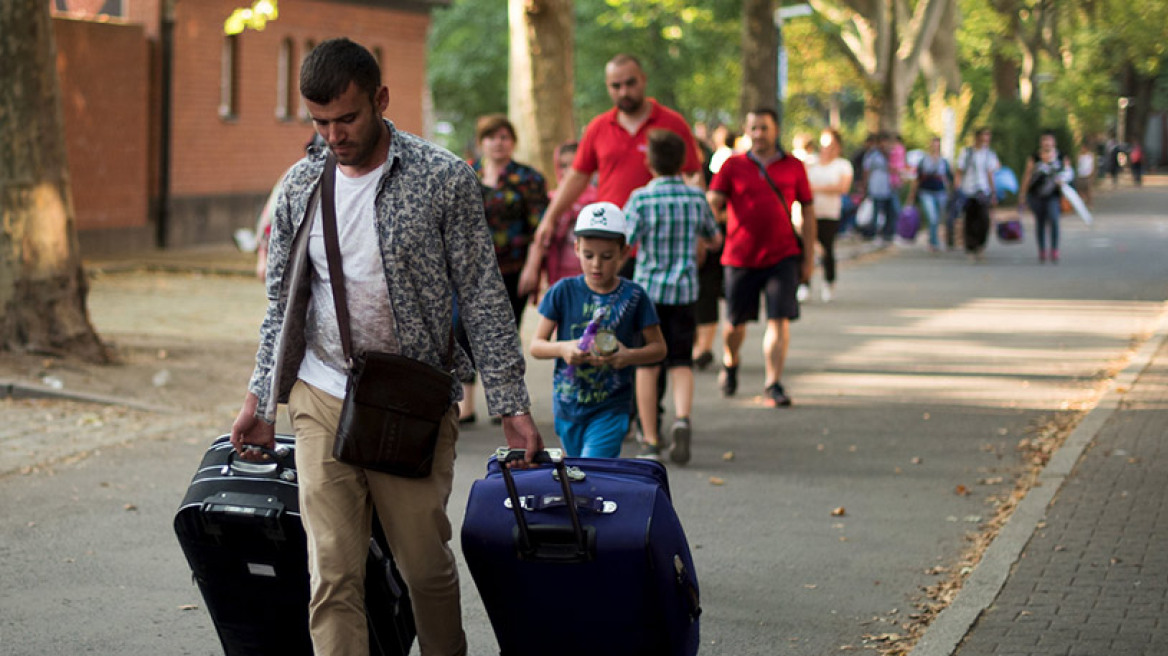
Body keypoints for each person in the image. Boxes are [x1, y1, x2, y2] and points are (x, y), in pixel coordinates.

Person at [229, 38, 542, 656]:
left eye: (347, 118)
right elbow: (283, 308)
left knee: (423, 567)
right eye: (320, 123)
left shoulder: (442, 179)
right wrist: (261, 397)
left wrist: (511, 404)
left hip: (411, 401)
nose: (334, 135)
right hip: (321, 394)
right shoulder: (299, 187)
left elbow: (483, 295)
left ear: (381, 100)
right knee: (333, 574)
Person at [519, 53, 703, 294]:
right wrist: (550, 218)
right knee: (613, 321)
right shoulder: (599, 127)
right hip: (612, 245)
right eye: (616, 86)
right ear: (608, 86)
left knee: (658, 323)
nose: (624, 91)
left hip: (659, 247)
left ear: (643, 80)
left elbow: (693, 176)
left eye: (630, 83)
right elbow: (577, 176)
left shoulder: (672, 123)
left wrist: (697, 232)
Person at [530, 202, 666, 459]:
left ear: (624, 253)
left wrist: (628, 356)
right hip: (567, 405)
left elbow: (658, 348)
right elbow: (536, 345)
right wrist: (563, 348)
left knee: (592, 467)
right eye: (588, 255)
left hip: (611, 406)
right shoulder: (563, 291)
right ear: (576, 249)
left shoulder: (635, 296)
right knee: (575, 473)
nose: (596, 265)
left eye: (607, 257)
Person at [707, 108, 815, 407]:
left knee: (779, 320)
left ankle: (773, 382)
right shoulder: (732, 165)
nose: (759, 134)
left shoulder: (793, 166)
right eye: (753, 128)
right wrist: (713, 227)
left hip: (783, 255)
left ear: (776, 130)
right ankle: (731, 361)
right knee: (734, 325)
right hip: (740, 256)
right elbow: (712, 202)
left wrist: (809, 256)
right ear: (746, 131)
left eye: (764, 128)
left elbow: (807, 210)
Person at [623, 130, 720, 463]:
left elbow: (625, 241)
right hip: (684, 292)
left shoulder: (640, 199)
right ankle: (682, 419)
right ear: (683, 162)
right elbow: (713, 237)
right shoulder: (696, 198)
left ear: (649, 162)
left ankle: (650, 439)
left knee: (647, 365)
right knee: (680, 361)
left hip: (647, 294)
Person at [455, 114, 548, 424]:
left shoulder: (528, 179)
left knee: (504, 334)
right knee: (462, 330)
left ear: (513, 142)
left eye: (504, 137)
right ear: (481, 142)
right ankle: (465, 406)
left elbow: (540, 228)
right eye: (492, 137)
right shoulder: (465, 174)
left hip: (513, 268)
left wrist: (534, 268)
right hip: (469, 272)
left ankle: (507, 404)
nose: (498, 143)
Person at [806, 129, 853, 302]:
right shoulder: (811, 162)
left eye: (831, 145)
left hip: (830, 213)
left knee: (827, 249)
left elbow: (842, 188)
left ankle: (828, 282)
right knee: (807, 249)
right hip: (810, 213)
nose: (827, 149)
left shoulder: (843, 165)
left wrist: (815, 188)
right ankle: (804, 284)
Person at [1018, 130, 1074, 264]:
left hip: (1053, 195)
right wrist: (1022, 194)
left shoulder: (1061, 156)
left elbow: (1069, 172)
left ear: (1053, 142)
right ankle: (1042, 250)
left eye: (1049, 140)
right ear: (1041, 142)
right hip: (1035, 195)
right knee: (1040, 222)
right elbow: (1027, 175)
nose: (1046, 143)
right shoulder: (1034, 157)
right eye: (1044, 140)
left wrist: (1063, 179)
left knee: (1054, 219)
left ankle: (1054, 249)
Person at [954, 127, 1000, 261]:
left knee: (984, 220)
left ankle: (980, 245)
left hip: (983, 191)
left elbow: (990, 174)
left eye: (988, 136)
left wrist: (993, 192)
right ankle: (970, 247)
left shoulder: (989, 154)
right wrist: (957, 189)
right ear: (977, 137)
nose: (986, 139)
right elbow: (959, 171)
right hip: (968, 190)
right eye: (984, 135)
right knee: (970, 220)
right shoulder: (966, 152)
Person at [907, 136, 952, 252]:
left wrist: (951, 192)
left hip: (940, 192)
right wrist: (912, 196)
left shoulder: (944, 161)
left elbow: (949, 178)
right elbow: (917, 179)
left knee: (938, 218)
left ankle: (934, 239)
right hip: (926, 191)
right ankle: (933, 242)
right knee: (932, 217)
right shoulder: (923, 160)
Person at [860, 132, 896, 244]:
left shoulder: (889, 155)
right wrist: (865, 187)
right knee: (875, 212)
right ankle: (874, 234)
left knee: (889, 211)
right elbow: (866, 171)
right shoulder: (872, 155)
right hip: (875, 187)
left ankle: (887, 234)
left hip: (887, 188)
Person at [1075, 142, 1096, 207]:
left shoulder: (1090, 156)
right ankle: (1081, 202)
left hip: (1087, 175)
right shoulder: (1079, 156)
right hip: (1080, 175)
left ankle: (1089, 202)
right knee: (1080, 189)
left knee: (1088, 190)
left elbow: (1092, 166)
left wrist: (1092, 174)